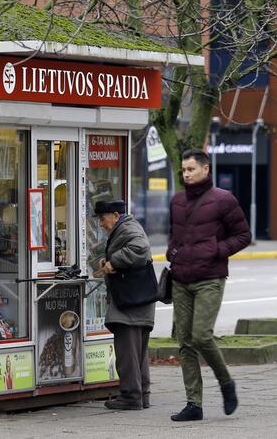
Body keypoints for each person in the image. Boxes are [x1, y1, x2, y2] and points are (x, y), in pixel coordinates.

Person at [167, 149, 251, 422]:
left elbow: (243, 235)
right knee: (185, 343)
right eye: (183, 170)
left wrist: (217, 250)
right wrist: (172, 252)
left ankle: (226, 383)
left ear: (205, 169)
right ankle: (194, 404)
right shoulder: (177, 201)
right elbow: (175, 235)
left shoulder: (224, 200)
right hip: (181, 279)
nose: (186, 174)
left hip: (209, 278)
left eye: (191, 169)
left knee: (201, 335)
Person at [95, 199, 155, 410]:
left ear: (116, 216)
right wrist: (106, 260)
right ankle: (142, 394)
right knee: (138, 352)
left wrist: (114, 262)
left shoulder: (127, 228)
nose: (101, 224)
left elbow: (140, 247)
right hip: (138, 299)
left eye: (103, 219)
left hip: (130, 301)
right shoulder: (126, 227)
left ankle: (130, 396)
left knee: (127, 351)